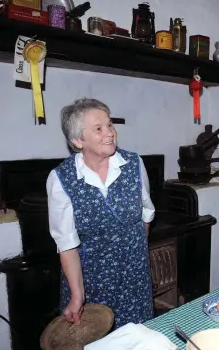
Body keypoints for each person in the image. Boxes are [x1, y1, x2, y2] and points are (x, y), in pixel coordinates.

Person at [46, 98, 155, 329]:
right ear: (78, 140)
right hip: (90, 280)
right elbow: (66, 243)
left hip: (134, 277)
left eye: (110, 125)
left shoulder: (133, 164)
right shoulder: (61, 179)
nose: (109, 133)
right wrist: (78, 295)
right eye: (98, 129)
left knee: (136, 338)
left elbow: (146, 213)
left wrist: (133, 250)